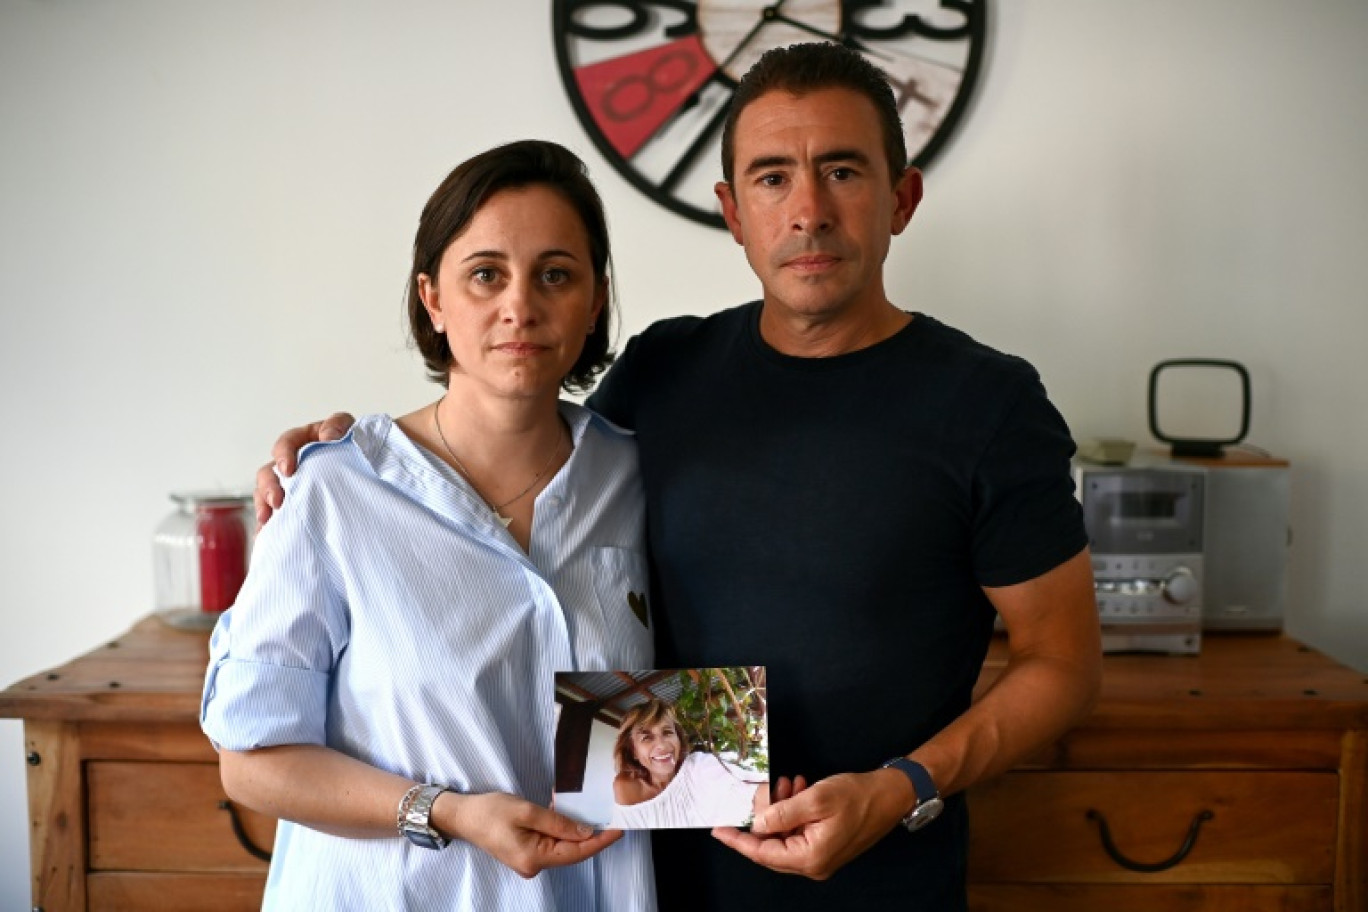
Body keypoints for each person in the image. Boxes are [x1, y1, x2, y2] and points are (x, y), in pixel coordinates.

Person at [255, 43, 1101, 911]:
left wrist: (902, 789)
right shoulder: (664, 372)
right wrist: (343, 454)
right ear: (733, 212)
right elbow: (511, 432)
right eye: (772, 178)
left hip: (878, 880)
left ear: (903, 197)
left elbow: (1063, 662)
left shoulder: (990, 403)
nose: (807, 211)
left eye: (841, 170)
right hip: (644, 875)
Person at [200, 140, 657, 910]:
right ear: (432, 298)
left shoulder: (639, 475)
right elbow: (250, 761)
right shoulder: (334, 491)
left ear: (595, 300)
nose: (521, 305)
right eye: (486, 274)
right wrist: (444, 812)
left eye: (556, 274)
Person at [610, 699, 766, 829]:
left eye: (667, 732)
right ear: (633, 752)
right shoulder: (625, 787)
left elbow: (754, 790)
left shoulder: (697, 767)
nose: (662, 745)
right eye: (647, 738)